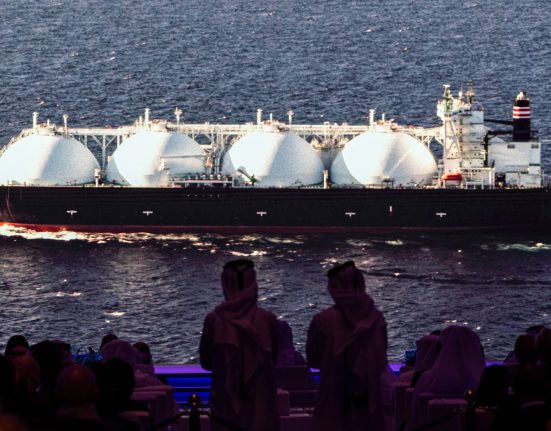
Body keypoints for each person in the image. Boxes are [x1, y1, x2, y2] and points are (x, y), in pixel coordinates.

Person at [306, 261, 388, 431]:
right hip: (368, 400)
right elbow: (382, 360)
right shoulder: (377, 320)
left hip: (331, 398)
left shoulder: (321, 320)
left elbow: (313, 360)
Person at [199, 259, 280, 431]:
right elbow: (275, 359)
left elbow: (206, 362)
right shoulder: (268, 319)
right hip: (262, 398)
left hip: (225, 398)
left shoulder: (213, 320)